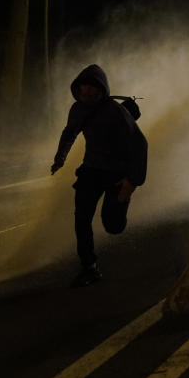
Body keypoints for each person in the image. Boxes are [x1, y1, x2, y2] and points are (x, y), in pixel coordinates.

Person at [51, 64, 148, 287]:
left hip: (116, 173)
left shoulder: (116, 111)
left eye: (90, 86)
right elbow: (70, 133)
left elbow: (140, 144)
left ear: (100, 89)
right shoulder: (77, 110)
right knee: (81, 218)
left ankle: (119, 208)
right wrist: (60, 158)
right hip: (91, 170)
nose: (85, 90)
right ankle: (89, 267)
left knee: (113, 226)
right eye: (82, 86)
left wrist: (131, 183)